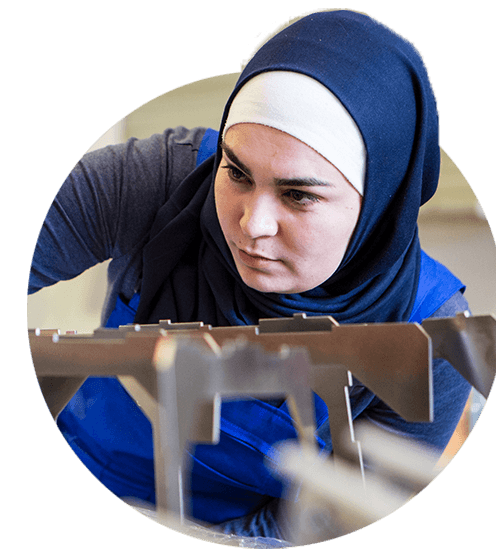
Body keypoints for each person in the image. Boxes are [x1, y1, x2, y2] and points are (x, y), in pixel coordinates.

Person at [28, 10, 472, 540]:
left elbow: (335, 519)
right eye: (236, 172)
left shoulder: (431, 341)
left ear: (382, 202)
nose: (250, 225)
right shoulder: (161, 180)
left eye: (298, 194)